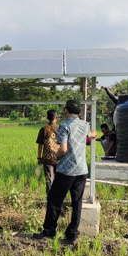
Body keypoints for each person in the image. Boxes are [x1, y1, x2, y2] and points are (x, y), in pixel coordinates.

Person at [33, 100, 94, 245]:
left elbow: (64, 148)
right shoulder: (85, 125)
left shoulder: (65, 125)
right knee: (77, 202)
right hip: (82, 170)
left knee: (54, 200)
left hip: (66, 171)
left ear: (66, 110)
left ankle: (49, 231)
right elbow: (90, 138)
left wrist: (56, 156)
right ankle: (72, 234)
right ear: (78, 112)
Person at [36, 109, 59, 193]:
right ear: (56, 117)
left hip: (47, 159)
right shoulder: (60, 128)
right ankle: (57, 200)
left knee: (49, 180)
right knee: (58, 180)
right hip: (59, 159)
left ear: (47, 118)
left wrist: (39, 158)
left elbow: (40, 145)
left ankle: (50, 198)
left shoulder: (44, 129)